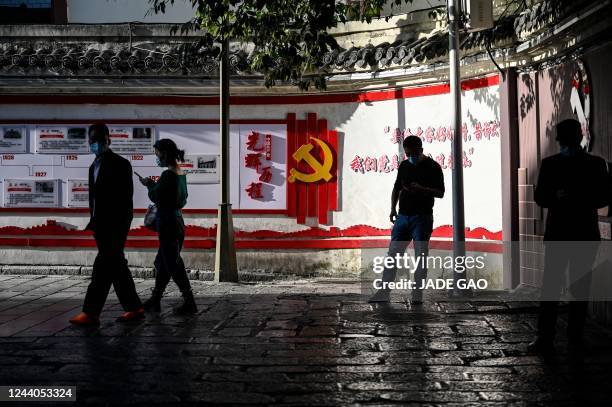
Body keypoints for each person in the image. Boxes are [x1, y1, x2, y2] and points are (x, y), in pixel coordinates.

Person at [528, 119, 610, 355]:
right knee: (580, 286)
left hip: (558, 232)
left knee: (551, 286)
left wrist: (558, 196)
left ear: (559, 139)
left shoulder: (550, 164)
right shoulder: (596, 164)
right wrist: (583, 197)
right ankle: (575, 338)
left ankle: (545, 338)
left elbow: (541, 198)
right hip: (585, 232)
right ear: (581, 136)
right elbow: (604, 198)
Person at [69, 123, 144, 326]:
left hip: (115, 226)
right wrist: (93, 221)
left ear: (108, 140)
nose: (96, 144)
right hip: (99, 226)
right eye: (93, 141)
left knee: (102, 268)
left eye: (100, 140)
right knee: (117, 267)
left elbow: (125, 199)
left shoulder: (120, 163)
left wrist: (120, 226)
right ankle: (134, 307)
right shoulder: (93, 166)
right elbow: (94, 199)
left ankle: (91, 312)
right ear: (89, 142)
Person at [369, 135, 445, 304]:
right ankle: (383, 292)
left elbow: (440, 193)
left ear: (421, 150)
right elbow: (396, 188)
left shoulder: (433, 167)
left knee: (420, 257)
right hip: (402, 217)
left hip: (422, 218)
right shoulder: (404, 165)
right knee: (393, 256)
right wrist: (392, 208)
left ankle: (417, 296)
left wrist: (422, 189)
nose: (411, 157)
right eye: (408, 153)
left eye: (414, 153)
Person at [138, 139, 197, 315]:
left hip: (168, 223)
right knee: (163, 262)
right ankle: (156, 297)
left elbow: (158, 197)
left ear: (164, 153)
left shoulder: (168, 175)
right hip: (177, 221)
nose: (156, 158)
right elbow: (180, 198)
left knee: (172, 262)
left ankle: (189, 301)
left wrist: (149, 184)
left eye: (156, 154)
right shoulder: (180, 173)